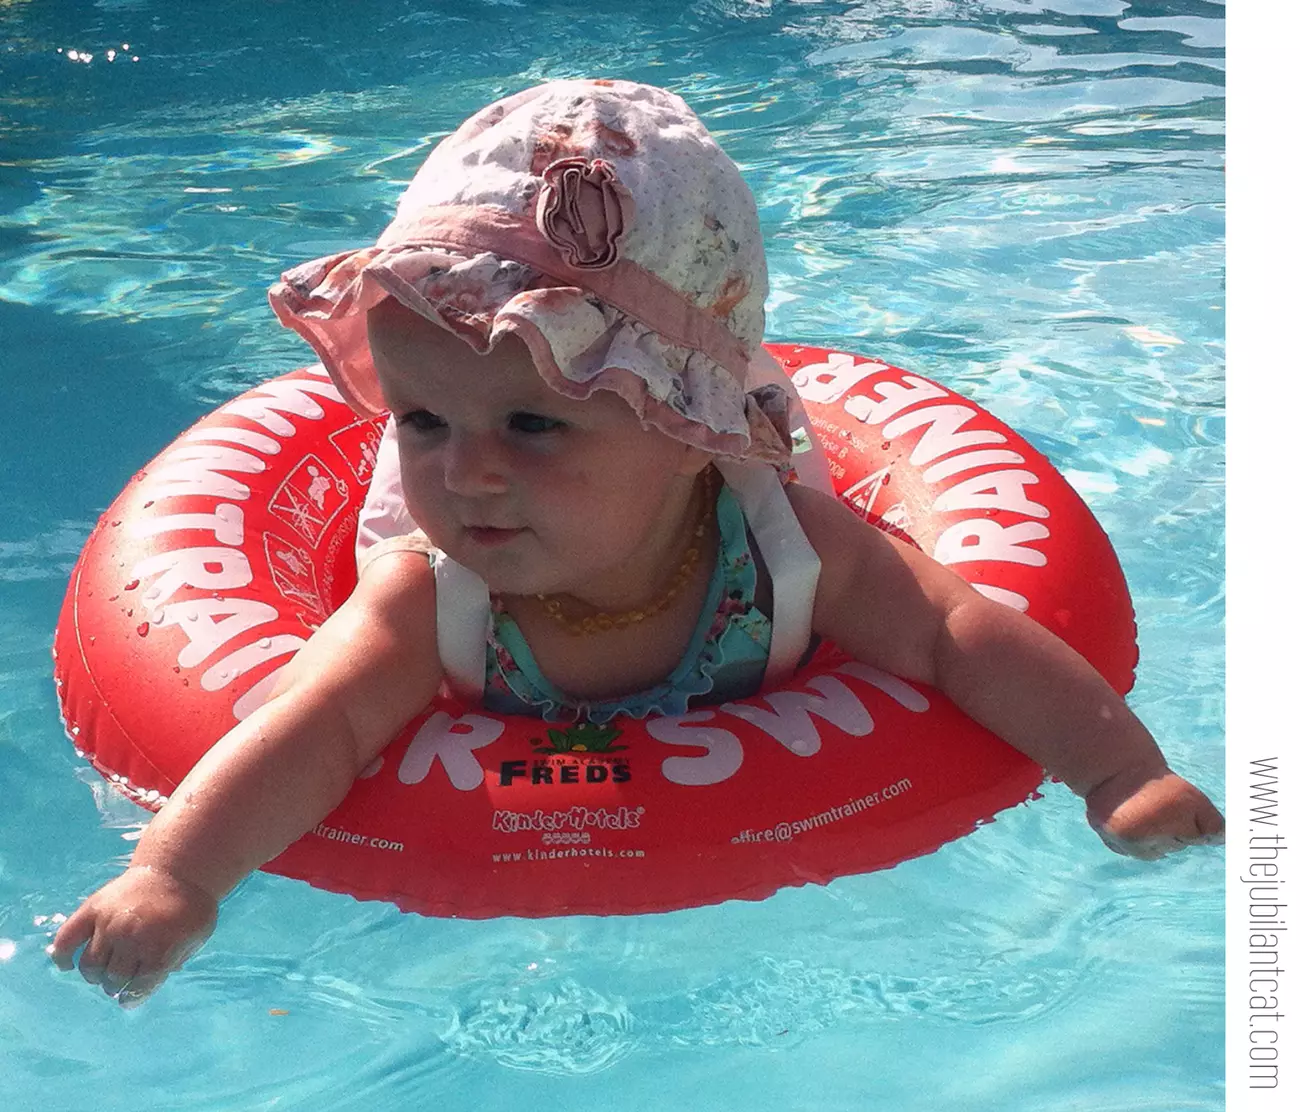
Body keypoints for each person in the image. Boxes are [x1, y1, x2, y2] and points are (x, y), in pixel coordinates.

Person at [49, 79, 1224, 1007]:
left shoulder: (784, 546)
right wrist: (175, 875)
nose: (465, 474)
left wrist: (1118, 772)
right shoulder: (430, 593)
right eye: (421, 421)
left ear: (685, 428)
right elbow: (312, 726)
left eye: (532, 423)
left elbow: (958, 632)